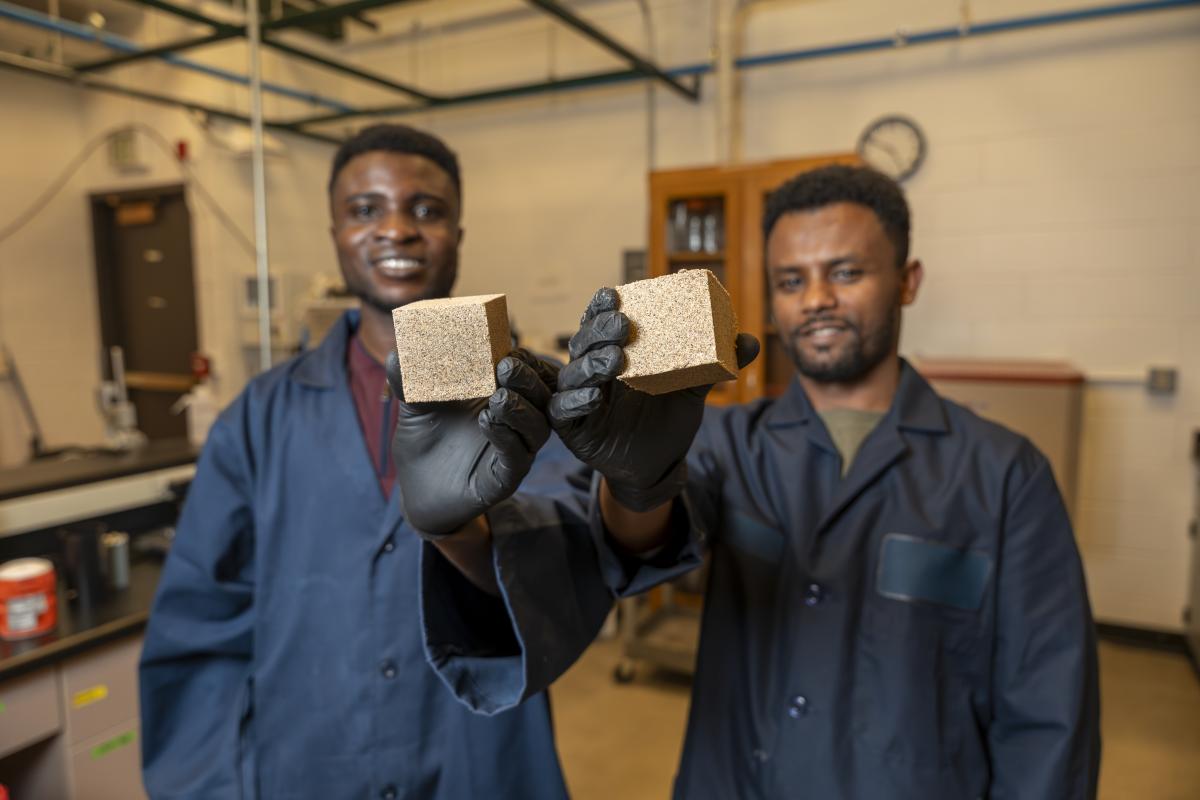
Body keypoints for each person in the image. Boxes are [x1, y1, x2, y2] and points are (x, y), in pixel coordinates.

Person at [423, 165, 1102, 799]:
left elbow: (1048, 715)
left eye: (846, 272)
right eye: (790, 280)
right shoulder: (728, 440)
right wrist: (636, 486)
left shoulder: (1005, 475)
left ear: (908, 280)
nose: (816, 300)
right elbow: (633, 545)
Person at [138, 124, 604, 799]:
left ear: (458, 234)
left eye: (426, 209)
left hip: (480, 757)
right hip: (310, 762)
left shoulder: (532, 399)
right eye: (366, 209)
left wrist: (479, 533)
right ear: (334, 233)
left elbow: (575, 562)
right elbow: (201, 629)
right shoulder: (259, 419)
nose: (396, 229)